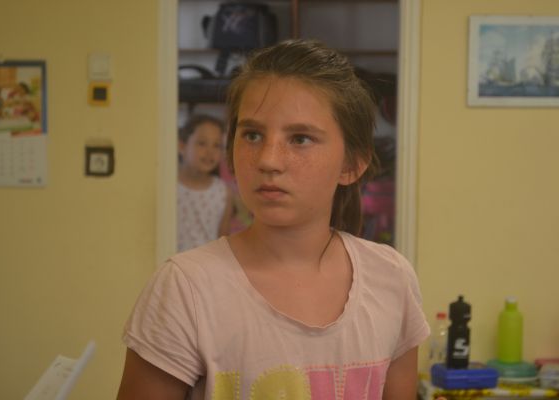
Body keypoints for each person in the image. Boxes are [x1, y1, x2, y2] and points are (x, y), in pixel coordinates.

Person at [118, 39, 431, 400]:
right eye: (252, 135)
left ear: (352, 164)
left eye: (300, 139)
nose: (268, 159)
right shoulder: (185, 289)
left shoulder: (392, 278)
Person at [177, 114, 234, 252]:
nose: (210, 152)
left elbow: (223, 242)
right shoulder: (167, 186)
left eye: (217, 145)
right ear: (182, 146)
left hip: (207, 264)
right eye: (202, 143)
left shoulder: (223, 193)